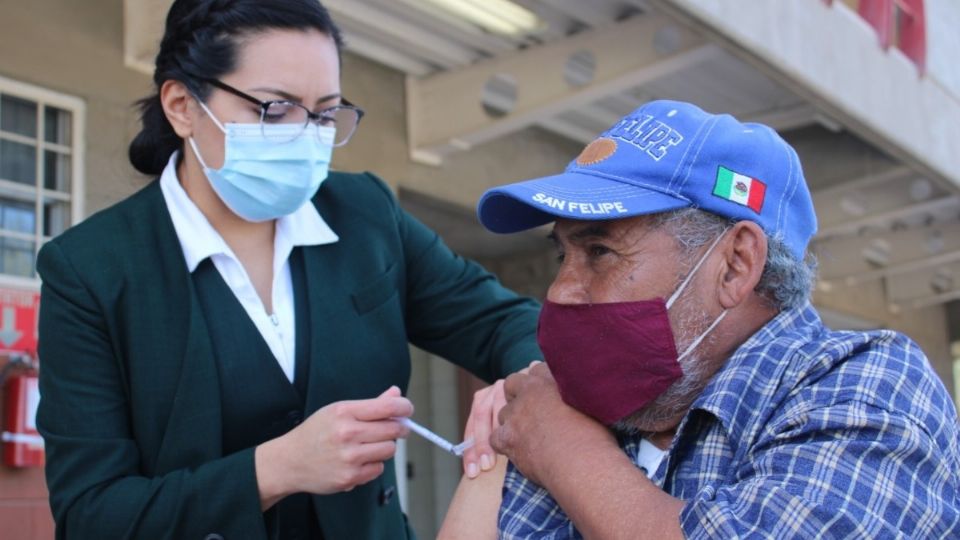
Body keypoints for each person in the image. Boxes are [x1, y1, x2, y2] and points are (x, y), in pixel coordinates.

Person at [35, 1, 540, 538]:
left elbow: (504, 322)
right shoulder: (92, 270)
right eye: (275, 110)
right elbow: (91, 515)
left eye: (324, 113)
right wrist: (274, 469)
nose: (305, 134)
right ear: (182, 105)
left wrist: (525, 382)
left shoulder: (365, 215)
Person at [442, 99, 960, 538]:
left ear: (735, 265)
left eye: (600, 251)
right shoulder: (592, 406)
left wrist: (561, 448)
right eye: (563, 257)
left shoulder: (868, 385)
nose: (560, 291)